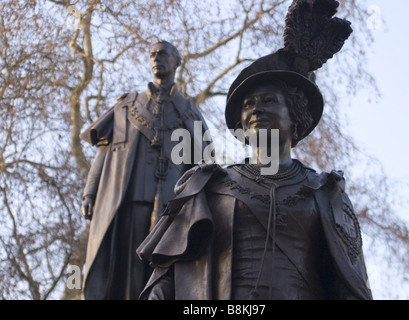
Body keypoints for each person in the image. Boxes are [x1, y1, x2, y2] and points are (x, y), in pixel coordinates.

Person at [135, 52, 373, 299]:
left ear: (295, 115)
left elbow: (351, 284)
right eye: (248, 104)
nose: (256, 109)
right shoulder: (208, 186)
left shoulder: (325, 191)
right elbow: (166, 278)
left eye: (269, 100)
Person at [80, 40, 211, 300]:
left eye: (162, 54)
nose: (156, 59)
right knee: (128, 270)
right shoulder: (126, 107)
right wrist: (90, 192)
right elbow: (105, 152)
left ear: (177, 61)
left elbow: (204, 165)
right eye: (152, 55)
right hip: (131, 202)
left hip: (173, 208)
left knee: (164, 272)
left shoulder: (190, 112)